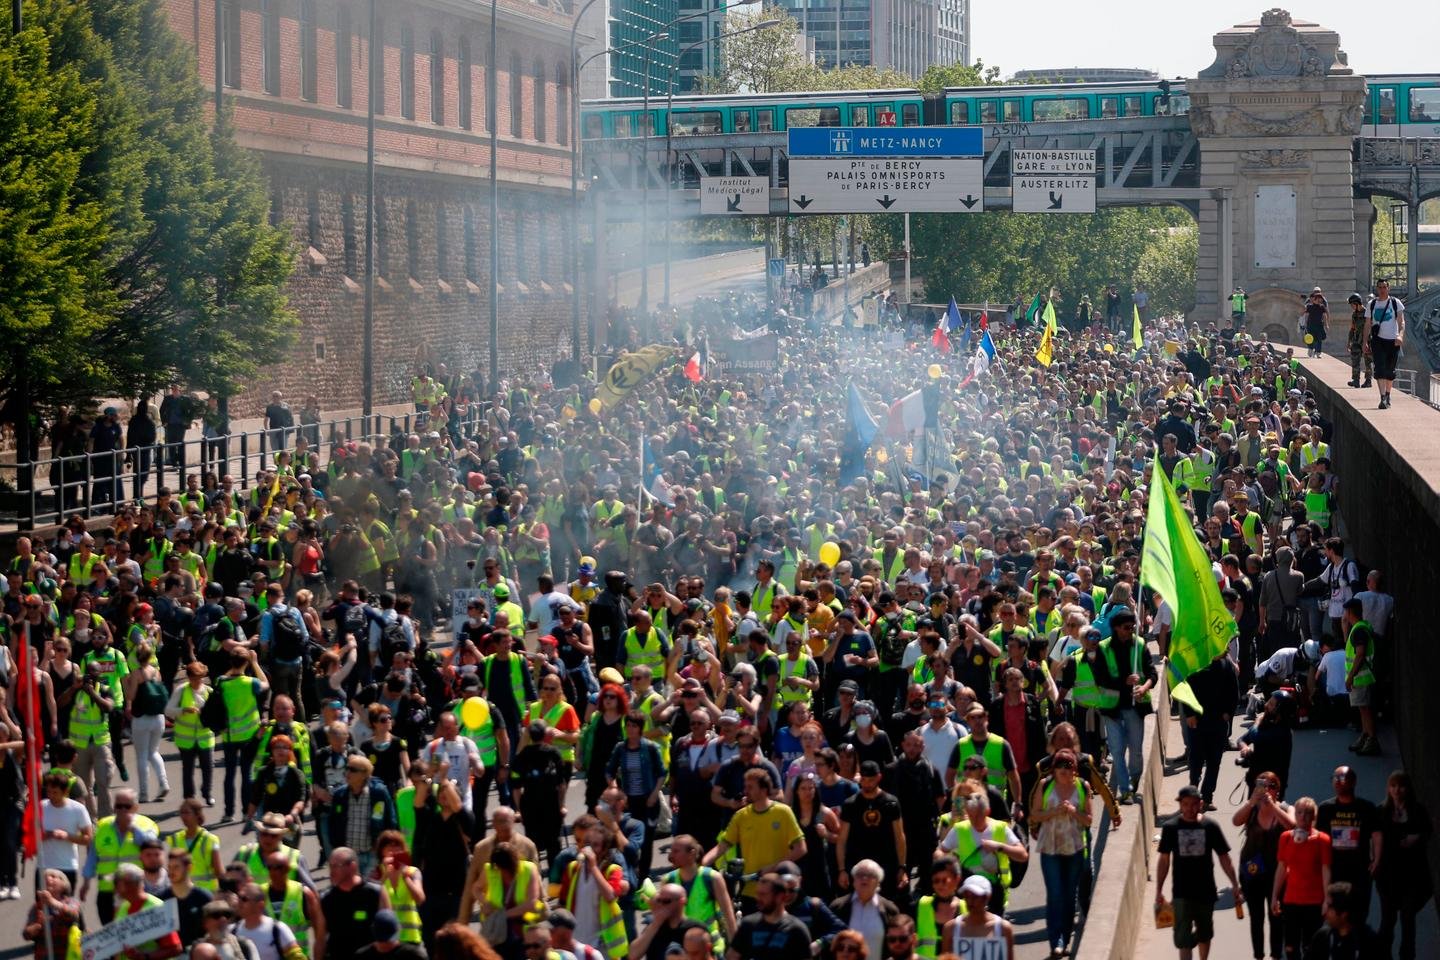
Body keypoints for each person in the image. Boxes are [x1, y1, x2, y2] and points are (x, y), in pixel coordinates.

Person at [1155, 785, 1243, 960]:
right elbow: (1164, 860)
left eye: (1193, 804)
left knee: (1204, 935)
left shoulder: (1210, 826)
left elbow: (1224, 858)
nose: (1189, 809)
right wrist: (1159, 889)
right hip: (1181, 893)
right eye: (1185, 804)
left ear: (1201, 804)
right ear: (1180, 805)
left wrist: (1235, 885)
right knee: (1183, 940)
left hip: (1206, 892)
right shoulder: (1171, 828)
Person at [702, 768, 805, 904]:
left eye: (750, 787)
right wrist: (702, 865)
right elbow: (723, 846)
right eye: (745, 786)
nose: (745, 791)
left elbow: (800, 848)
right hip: (750, 891)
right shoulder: (741, 816)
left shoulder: (783, 812)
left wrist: (773, 867)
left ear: (763, 790)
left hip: (778, 891)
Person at [1030, 749, 1091, 958]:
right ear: (1054, 770)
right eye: (1060, 768)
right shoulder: (1045, 785)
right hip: (1050, 849)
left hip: (1074, 849)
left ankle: (1064, 938)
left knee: (1068, 896)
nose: (1065, 772)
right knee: (1055, 895)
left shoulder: (1083, 787)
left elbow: (1089, 819)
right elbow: (1035, 814)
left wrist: (1075, 812)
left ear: (1075, 770)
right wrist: (1055, 811)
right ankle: (1056, 941)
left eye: (1069, 768)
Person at [1231, 771, 1294, 960]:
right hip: (1253, 871)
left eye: (1272, 786)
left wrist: (1273, 806)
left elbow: (1292, 825)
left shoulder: (1284, 808)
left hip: (1277, 873)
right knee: (1256, 918)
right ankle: (1258, 956)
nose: (1267, 790)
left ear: (1278, 790)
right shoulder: (1252, 807)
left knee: (1276, 917)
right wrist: (1252, 802)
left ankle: (1275, 955)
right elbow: (1235, 821)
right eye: (1263, 786)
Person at [1375, 770, 1432, 960]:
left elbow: (1427, 832)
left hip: (1412, 874)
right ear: (1388, 789)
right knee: (1387, 921)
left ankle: (1407, 956)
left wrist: (1416, 838)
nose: (1397, 790)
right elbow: (1374, 837)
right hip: (1388, 875)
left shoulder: (1418, 811)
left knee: (1408, 920)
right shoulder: (1382, 811)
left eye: (1401, 786)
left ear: (1407, 788)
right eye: (1393, 786)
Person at [1317, 766, 1381, 933]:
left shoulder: (1366, 808)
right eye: (1335, 778)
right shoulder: (1325, 808)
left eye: (1342, 778)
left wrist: (1377, 860)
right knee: (1335, 914)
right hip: (1334, 871)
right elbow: (1319, 839)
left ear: (1353, 782)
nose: (1338, 782)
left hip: (1360, 871)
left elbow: (1376, 834)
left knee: (1358, 915)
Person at [1272, 796, 1332, 959]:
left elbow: (1326, 870)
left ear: (1314, 817)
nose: (1303, 816)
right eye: (1299, 812)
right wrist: (1275, 896)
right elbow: (1282, 868)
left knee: (1311, 947)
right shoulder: (1286, 837)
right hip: (1291, 901)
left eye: (1307, 813)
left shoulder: (1323, 840)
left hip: (1314, 902)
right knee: (1291, 948)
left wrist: (1327, 899)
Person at [318, 847, 390, 960]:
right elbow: (320, 940)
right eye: (330, 866)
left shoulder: (376, 893)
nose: (331, 872)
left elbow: (388, 934)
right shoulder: (326, 899)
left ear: (352, 866)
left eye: (335, 866)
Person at [724, 871, 811, 960]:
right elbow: (732, 956)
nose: (758, 899)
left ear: (780, 896)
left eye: (763, 895)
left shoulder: (797, 930)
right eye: (758, 894)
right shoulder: (748, 925)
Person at [827, 859, 899, 959]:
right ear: (854, 881)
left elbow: (896, 946)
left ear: (878, 883)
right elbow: (828, 943)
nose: (864, 878)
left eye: (870, 875)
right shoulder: (838, 907)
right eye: (860, 874)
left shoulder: (890, 910)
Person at [113, 862, 183, 960]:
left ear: (130, 885)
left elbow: (175, 948)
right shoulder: (124, 907)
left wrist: (145, 957)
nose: (115, 889)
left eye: (117, 884)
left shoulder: (156, 908)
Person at [938, 875, 1015, 958]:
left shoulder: (1004, 929)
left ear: (986, 897)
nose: (970, 901)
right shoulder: (950, 929)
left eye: (975, 896)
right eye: (967, 896)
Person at [1304, 882, 1384, 960]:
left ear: (1343, 914)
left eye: (1329, 907)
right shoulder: (1322, 937)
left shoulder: (1368, 942)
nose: (1325, 912)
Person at [23, 869, 84, 960]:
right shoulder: (37, 907)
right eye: (45, 878)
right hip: (44, 955)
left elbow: (73, 914)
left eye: (53, 876)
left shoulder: (71, 901)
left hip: (68, 954)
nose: (48, 878)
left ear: (64, 885)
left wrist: (52, 902)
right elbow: (26, 934)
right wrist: (38, 924)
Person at [1365, 278, 1404, 409]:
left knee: (1390, 371)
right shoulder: (1372, 304)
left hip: (1393, 340)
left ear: (1388, 288)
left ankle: (1387, 394)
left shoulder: (1395, 303)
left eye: (1384, 287)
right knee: (1380, 369)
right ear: (1377, 289)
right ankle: (1382, 398)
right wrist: (1365, 342)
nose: (1382, 290)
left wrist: (1400, 336)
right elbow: (1367, 324)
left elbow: (1401, 322)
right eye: (1379, 287)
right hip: (1377, 340)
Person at [355, 910, 427, 960]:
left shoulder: (414, 955)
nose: (385, 944)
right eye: (382, 941)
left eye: (388, 941)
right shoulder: (362, 955)